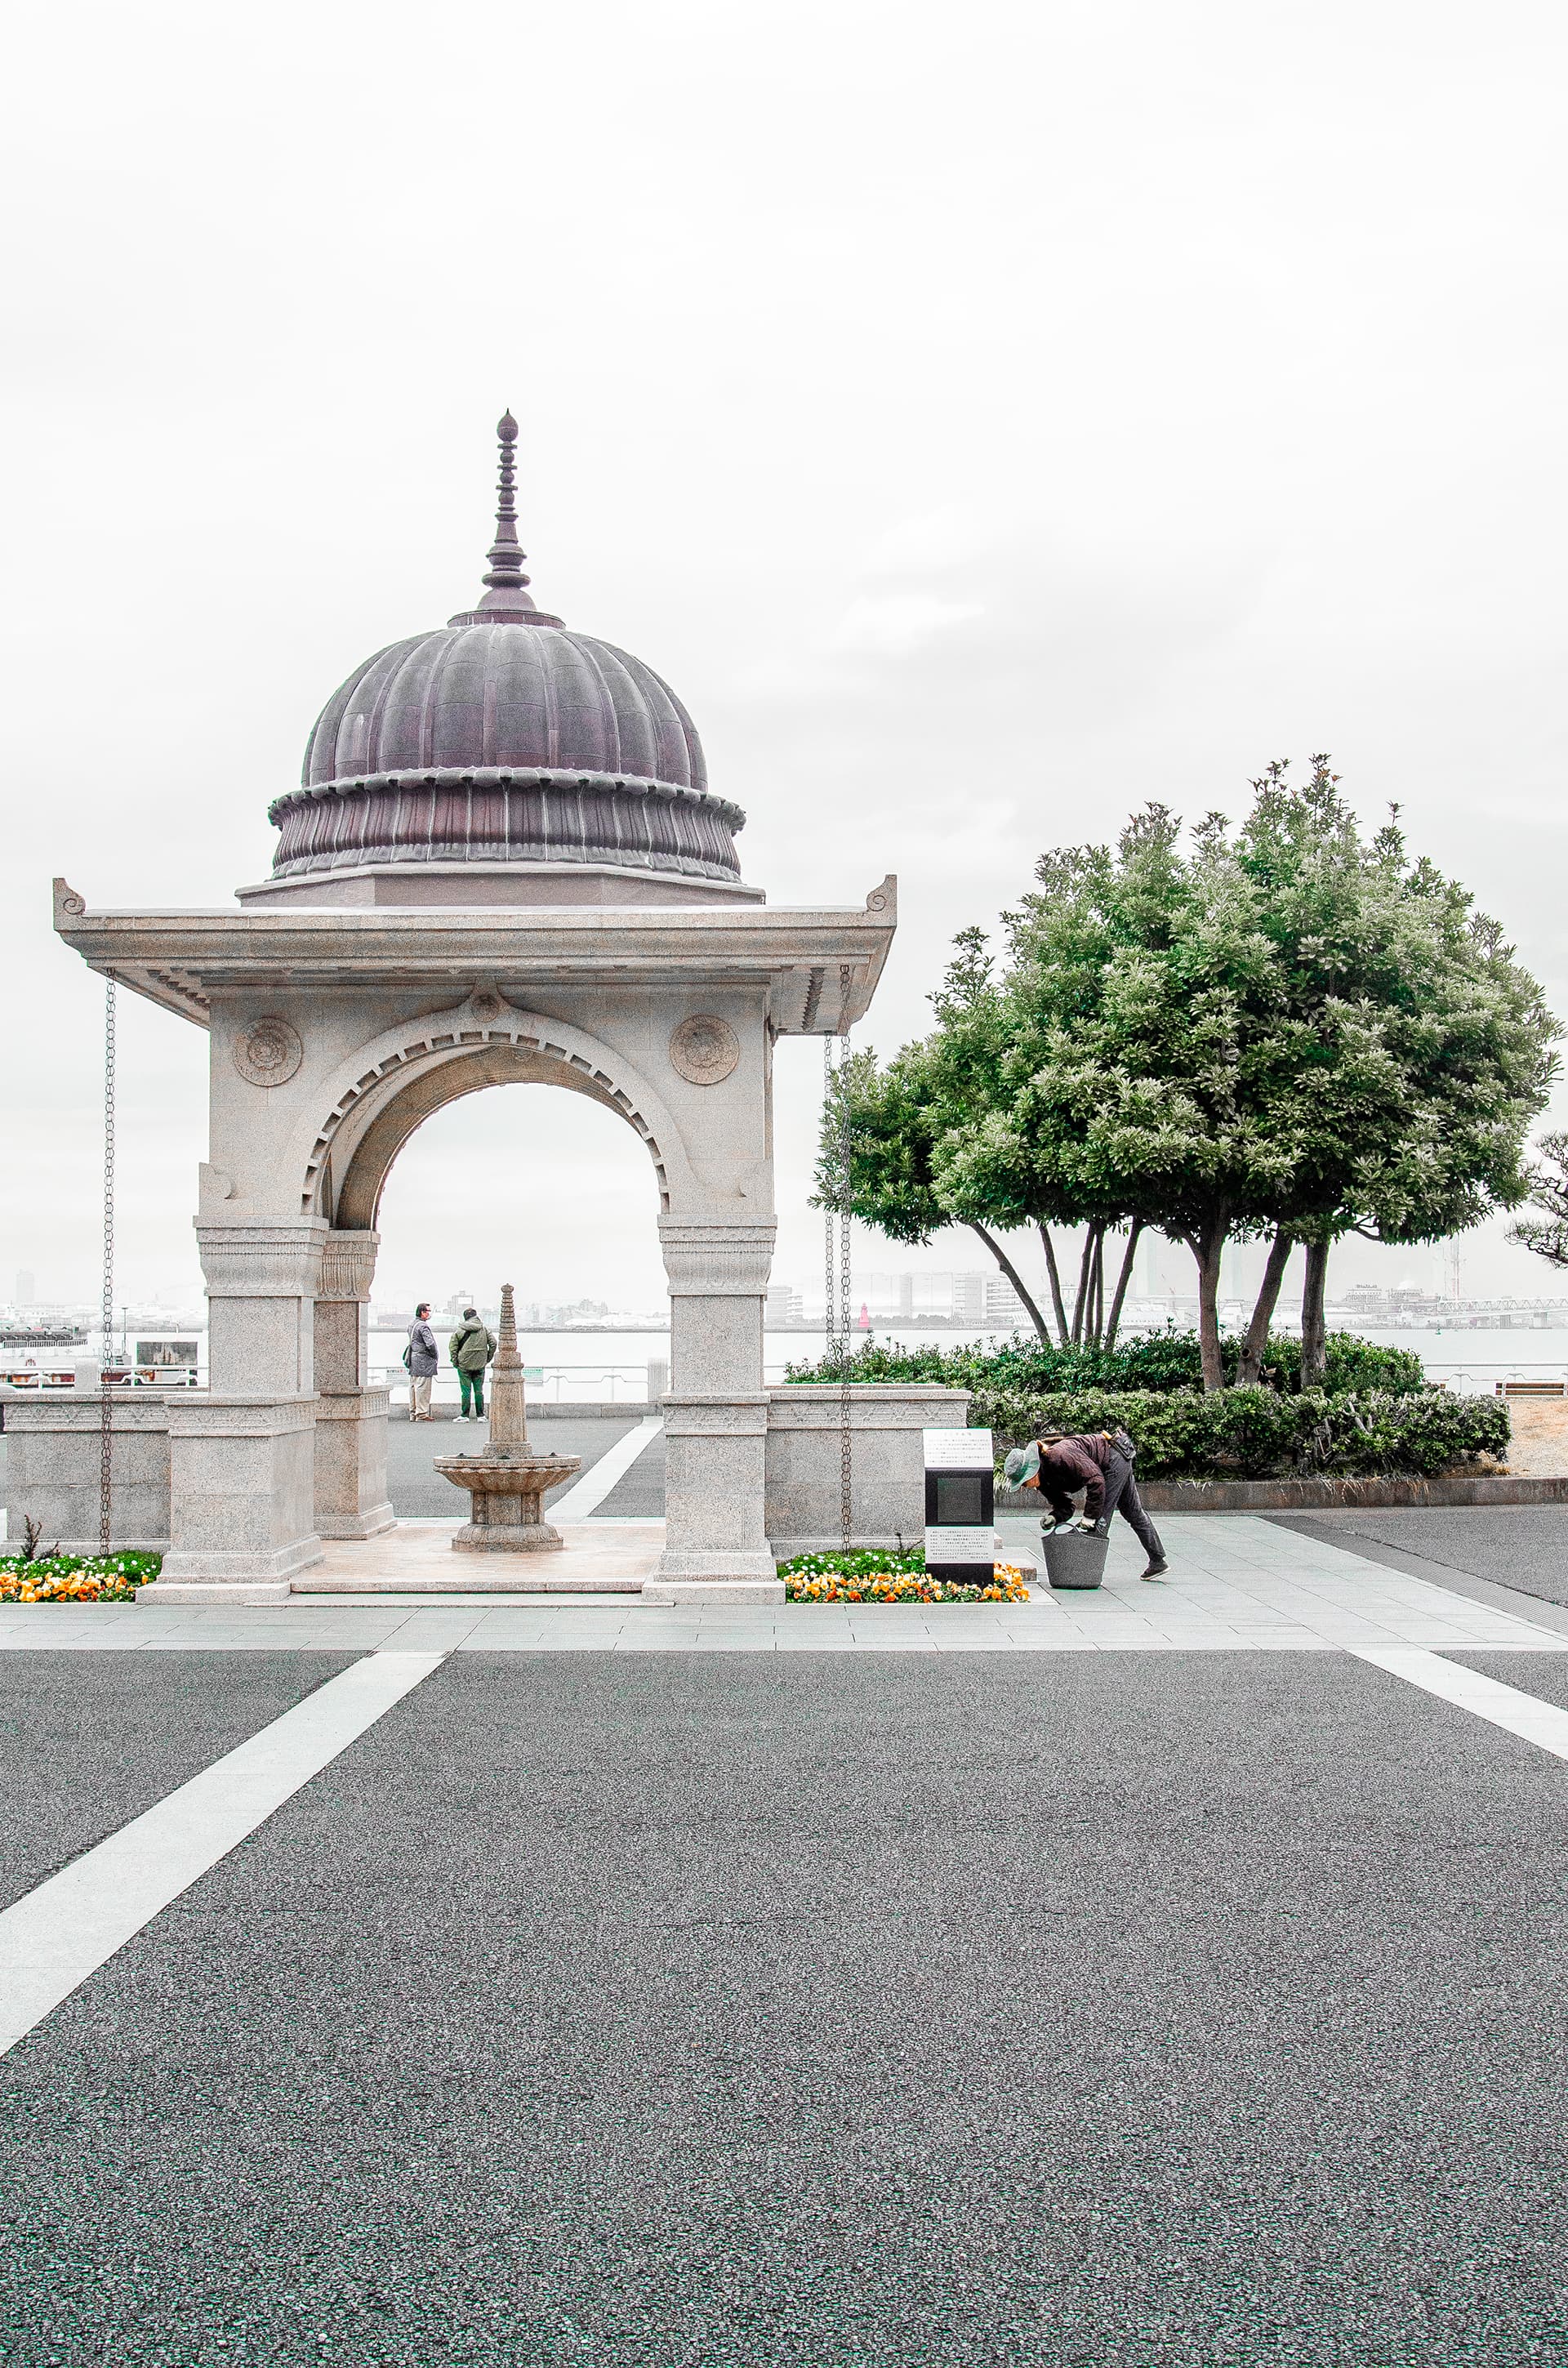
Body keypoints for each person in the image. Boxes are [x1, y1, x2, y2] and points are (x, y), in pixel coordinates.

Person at [1004, 1429, 1169, 1580]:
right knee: (1133, 1513)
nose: (1025, 1487)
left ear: (1033, 1470)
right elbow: (1065, 1507)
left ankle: (1087, 1576)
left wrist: (1090, 1517)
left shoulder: (1060, 1456)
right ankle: (1157, 1562)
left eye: (1024, 1482)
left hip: (1114, 1458)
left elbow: (1096, 1481)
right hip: (1112, 1462)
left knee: (1099, 1522)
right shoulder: (1043, 1482)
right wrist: (1054, 1517)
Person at [449, 1304, 497, 1422]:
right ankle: (480, 1415)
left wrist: (455, 1362)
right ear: (476, 1316)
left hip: (464, 1365)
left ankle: (465, 1415)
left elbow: (453, 1348)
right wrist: (487, 1358)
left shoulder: (460, 1330)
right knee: (479, 1390)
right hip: (480, 1365)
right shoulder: (484, 1329)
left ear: (465, 1317)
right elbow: (494, 1343)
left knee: (465, 1391)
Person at [405, 1302, 439, 1420]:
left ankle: (413, 1413)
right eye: (428, 1311)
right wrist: (435, 1355)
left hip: (413, 1359)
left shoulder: (412, 1324)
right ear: (422, 1312)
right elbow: (430, 1343)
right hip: (424, 1360)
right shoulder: (423, 1326)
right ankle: (422, 1413)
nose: (429, 1314)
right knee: (423, 1388)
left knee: (413, 1386)